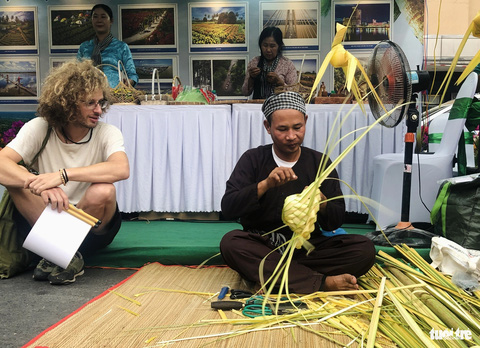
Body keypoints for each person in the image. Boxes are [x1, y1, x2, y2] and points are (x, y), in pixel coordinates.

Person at [220, 91, 376, 293]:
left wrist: (322, 202)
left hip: (308, 249)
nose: (291, 136)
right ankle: (322, 283)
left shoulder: (320, 162)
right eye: (282, 129)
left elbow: (335, 221)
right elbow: (229, 207)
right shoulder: (253, 159)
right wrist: (265, 184)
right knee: (231, 244)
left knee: (364, 249)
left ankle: (279, 278)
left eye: (297, 127)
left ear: (306, 121)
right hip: (265, 247)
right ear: (267, 127)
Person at [0, 59, 130, 285]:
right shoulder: (40, 127)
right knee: (15, 181)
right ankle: (65, 256)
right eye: (90, 103)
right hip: (46, 218)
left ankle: (56, 253)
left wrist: (62, 175)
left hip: (92, 228)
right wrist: (39, 184)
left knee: (104, 191)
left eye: (101, 102)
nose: (99, 110)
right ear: (67, 103)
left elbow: (121, 168)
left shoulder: (107, 132)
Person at [77, 4, 138, 88]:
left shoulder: (121, 47)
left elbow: (132, 75)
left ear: (111, 20)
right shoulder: (84, 47)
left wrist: (129, 82)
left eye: (103, 17)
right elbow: (77, 73)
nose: (99, 20)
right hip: (89, 95)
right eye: (95, 17)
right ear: (91, 20)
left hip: (114, 94)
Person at [242, 27, 298, 99]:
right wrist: (251, 78)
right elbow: (245, 92)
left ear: (279, 46)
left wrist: (279, 82)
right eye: (265, 45)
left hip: (279, 107)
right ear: (260, 45)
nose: (268, 50)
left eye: (272, 46)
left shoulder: (287, 64)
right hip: (258, 107)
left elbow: (295, 93)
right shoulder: (254, 62)